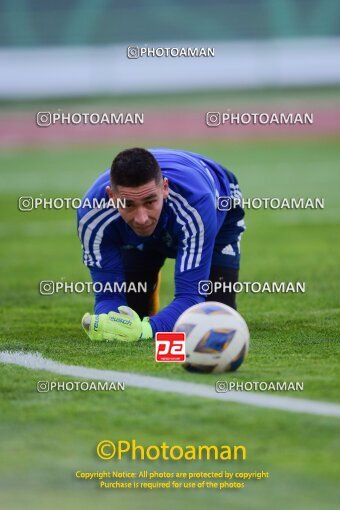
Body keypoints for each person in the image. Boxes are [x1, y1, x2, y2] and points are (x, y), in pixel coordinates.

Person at [78, 147, 245, 342]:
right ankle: (148, 263)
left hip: (220, 202)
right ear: (111, 197)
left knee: (214, 319)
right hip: (147, 232)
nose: (141, 218)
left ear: (164, 188)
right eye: (128, 204)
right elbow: (108, 297)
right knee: (132, 312)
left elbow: (190, 298)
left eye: (150, 202)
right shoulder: (91, 216)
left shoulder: (197, 204)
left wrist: (146, 330)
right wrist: (110, 322)